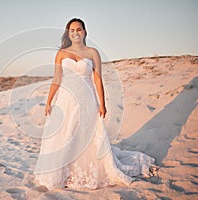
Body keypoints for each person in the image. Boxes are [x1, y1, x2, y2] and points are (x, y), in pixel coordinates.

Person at [34, 18, 158, 190]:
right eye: (72, 30)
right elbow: (56, 79)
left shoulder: (92, 52)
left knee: (86, 135)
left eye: (79, 29)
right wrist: (48, 102)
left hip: (86, 99)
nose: (76, 33)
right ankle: (64, 173)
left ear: (84, 32)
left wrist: (102, 103)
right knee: (65, 135)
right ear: (68, 33)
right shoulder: (61, 54)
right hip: (66, 100)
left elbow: (98, 79)